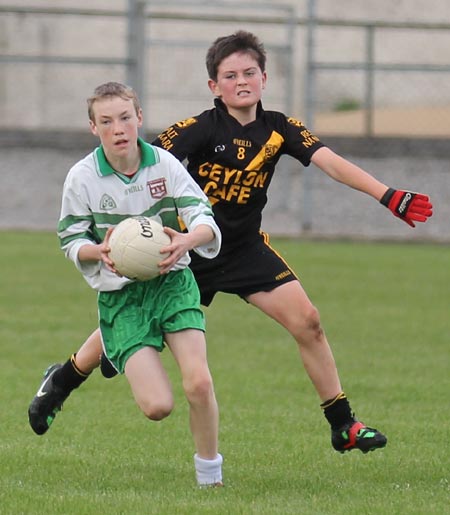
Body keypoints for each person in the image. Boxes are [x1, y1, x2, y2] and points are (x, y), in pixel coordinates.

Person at [29, 31, 433, 455]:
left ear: (264, 78)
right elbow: (139, 168)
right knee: (122, 329)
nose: (241, 82)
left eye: (249, 73)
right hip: (184, 252)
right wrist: (126, 239)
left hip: (243, 250)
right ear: (213, 86)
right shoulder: (198, 129)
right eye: (230, 75)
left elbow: (329, 162)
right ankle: (61, 381)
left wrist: (387, 195)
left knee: (308, 321)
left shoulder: (280, 129)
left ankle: (343, 424)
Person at [29, 81, 224, 487]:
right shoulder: (82, 177)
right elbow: (70, 239)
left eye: (124, 117)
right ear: (93, 128)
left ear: (138, 118)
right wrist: (96, 252)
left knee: (199, 381)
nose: (117, 128)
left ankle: (211, 479)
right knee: (157, 407)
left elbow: (202, 215)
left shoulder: (165, 165)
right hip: (122, 296)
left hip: (172, 282)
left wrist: (189, 238)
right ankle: (68, 374)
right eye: (106, 121)